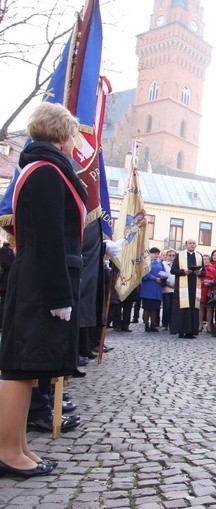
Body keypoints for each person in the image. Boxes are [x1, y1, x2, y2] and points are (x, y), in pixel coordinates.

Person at [0, 102, 88, 477]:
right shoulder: (48, 172)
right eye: (72, 136)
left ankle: (17, 446)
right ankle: (6, 450)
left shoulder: (43, 169)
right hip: (42, 278)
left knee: (29, 365)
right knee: (21, 367)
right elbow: (51, 237)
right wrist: (59, 296)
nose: (74, 143)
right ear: (61, 135)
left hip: (39, 274)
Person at [170, 239, 203, 338]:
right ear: (186, 245)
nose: (192, 245)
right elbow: (173, 270)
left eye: (194, 243)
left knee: (193, 308)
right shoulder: (180, 255)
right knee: (182, 308)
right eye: (190, 243)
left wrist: (199, 273)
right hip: (182, 287)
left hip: (194, 287)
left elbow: (203, 272)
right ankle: (181, 330)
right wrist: (183, 271)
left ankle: (191, 331)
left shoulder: (199, 256)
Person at [140, 247, 164, 332]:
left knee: (154, 308)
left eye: (157, 254)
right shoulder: (146, 263)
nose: (156, 255)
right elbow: (144, 273)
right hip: (148, 287)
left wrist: (163, 277)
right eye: (154, 253)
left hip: (157, 288)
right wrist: (154, 278)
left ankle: (153, 324)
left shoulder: (160, 263)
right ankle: (146, 324)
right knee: (147, 308)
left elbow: (163, 272)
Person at [199, 253, 216, 333]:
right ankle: (200, 325)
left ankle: (208, 325)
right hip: (201, 290)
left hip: (209, 291)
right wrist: (203, 283)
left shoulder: (213, 269)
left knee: (209, 308)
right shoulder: (200, 270)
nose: (206, 261)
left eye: (207, 259)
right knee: (200, 308)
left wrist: (212, 283)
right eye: (204, 259)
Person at [0, 241, 15, 331]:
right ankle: (2, 324)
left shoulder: (6, 250)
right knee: (5, 305)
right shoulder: (6, 250)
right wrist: (15, 265)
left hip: (5, 284)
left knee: (5, 304)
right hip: (5, 284)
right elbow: (4, 263)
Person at [160, 249, 176, 330]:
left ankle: (172, 323)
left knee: (173, 307)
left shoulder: (177, 265)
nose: (171, 257)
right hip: (166, 288)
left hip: (174, 289)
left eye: (173, 255)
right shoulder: (163, 264)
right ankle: (165, 323)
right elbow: (161, 274)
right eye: (170, 255)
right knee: (166, 306)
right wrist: (167, 283)